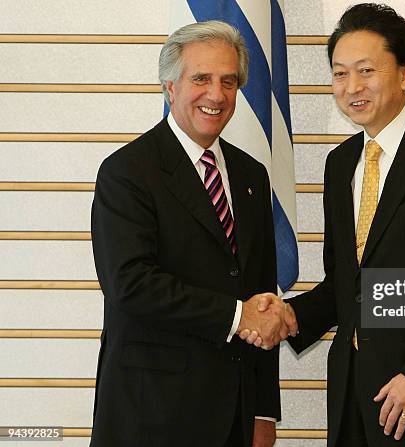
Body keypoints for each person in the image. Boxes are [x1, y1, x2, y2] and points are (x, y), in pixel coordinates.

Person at [243, 3, 405, 446]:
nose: (352, 87)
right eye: (340, 73)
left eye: (366, 70)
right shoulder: (340, 163)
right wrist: (288, 316)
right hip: (353, 396)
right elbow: (345, 283)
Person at [89, 21, 292, 447]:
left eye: (229, 81)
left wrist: (262, 409)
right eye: (200, 78)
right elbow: (130, 284)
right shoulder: (127, 172)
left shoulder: (251, 175)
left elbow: (259, 292)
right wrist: (237, 317)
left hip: (235, 416)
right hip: (152, 416)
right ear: (170, 86)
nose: (216, 95)